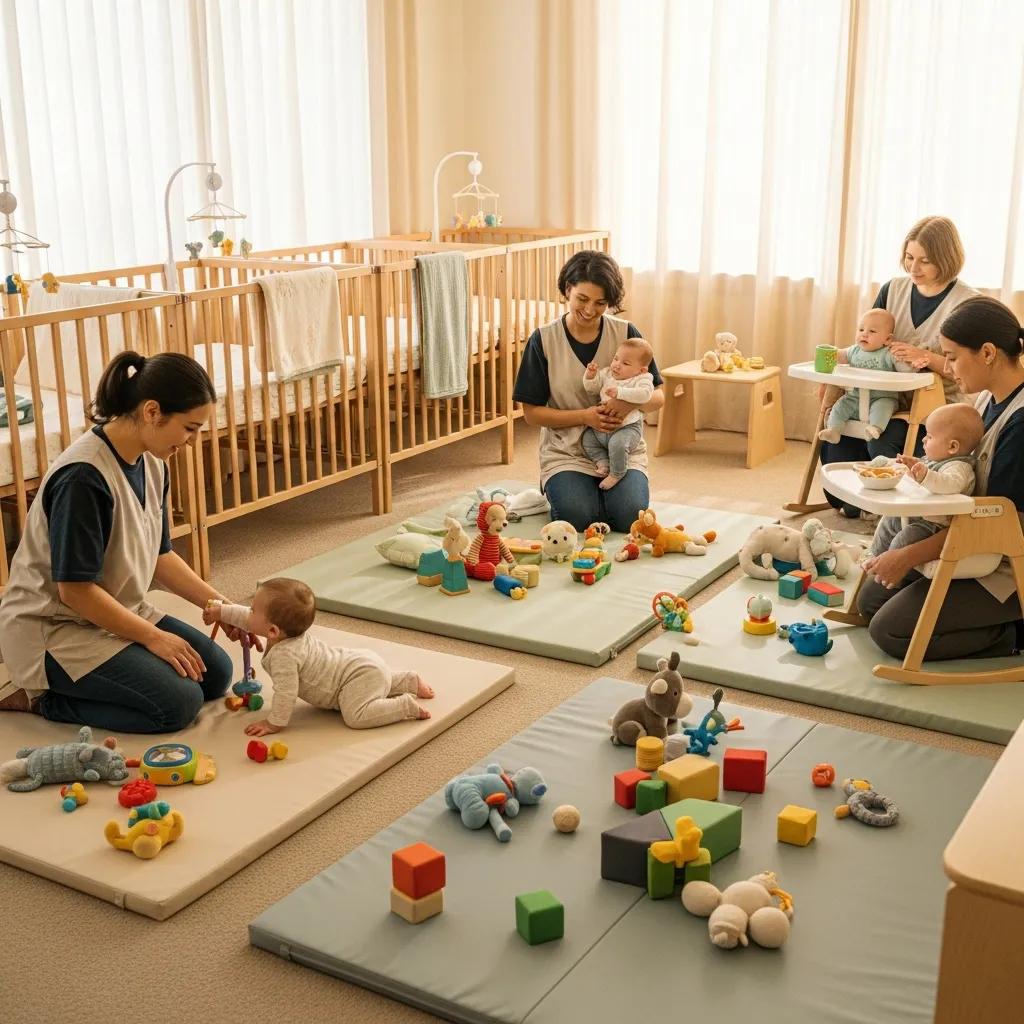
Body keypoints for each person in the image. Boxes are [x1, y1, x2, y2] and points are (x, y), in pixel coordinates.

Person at [0, 351, 248, 733]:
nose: (192, 441)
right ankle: (38, 697)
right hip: (55, 628)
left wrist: (224, 608)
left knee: (215, 674)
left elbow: (161, 555)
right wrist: (154, 638)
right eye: (189, 428)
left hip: (118, 610)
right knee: (177, 704)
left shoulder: (154, 462)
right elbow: (75, 591)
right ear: (152, 411)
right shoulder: (83, 477)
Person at [858, 296, 1024, 660]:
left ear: (987, 353)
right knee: (869, 602)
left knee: (889, 631)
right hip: (964, 541)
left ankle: (1013, 633)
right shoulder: (984, 400)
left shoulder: (1020, 424)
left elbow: (994, 526)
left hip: (1003, 563)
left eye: (951, 356)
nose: (946, 367)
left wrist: (906, 555)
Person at [820, 216, 976, 517]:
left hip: (934, 408)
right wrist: (833, 386)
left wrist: (926, 357)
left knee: (884, 442)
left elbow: (971, 372)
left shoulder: (966, 303)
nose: (913, 268)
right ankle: (859, 501)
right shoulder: (893, 290)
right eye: (909, 257)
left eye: (925, 261)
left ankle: (892, 508)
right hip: (876, 396)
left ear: (947, 259)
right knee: (839, 487)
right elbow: (864, 343)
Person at [512, 250, 665, 533]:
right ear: (567, 290)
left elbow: (658, 396)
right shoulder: (543, 339)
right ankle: (568, 488)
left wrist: (627, 404)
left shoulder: (626, 333)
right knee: (576, 517)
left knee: (628, 517)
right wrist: (585, 416)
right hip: (566, 451)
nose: (590, 310)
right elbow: (531, 414)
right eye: (582, 299)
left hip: (622, 448)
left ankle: (600, 493)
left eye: (600, 303)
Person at [204, 578, 434, 738]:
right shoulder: (288, 634)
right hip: (362, 665)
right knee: (375, 683)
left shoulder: (285, 656)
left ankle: (404, 706)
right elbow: (247, 618)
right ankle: (408, 680)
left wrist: (274, 723)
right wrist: (220, 611)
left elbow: (286, 693)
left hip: (354, 678)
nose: (248, 611)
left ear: (272, 631)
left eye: (253, 609)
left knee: (355, 716)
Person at [865, 403, 985, 558]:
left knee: (903, 541)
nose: (923, 439)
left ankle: (890, 565)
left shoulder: (959, 467)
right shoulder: (936, 459)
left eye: (929, 436)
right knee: (888, 521)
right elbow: (926, 470)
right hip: (917, 513)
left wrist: (925, 475)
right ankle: (874, 556)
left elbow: (950, 484)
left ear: (952, 447)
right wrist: (912, 464)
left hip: (934, 524)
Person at [581, 337, 656, 490]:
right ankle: (602, 461)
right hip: (603, 427)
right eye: (616, 359)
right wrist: (590, 375)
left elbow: (645, 394)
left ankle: (617, 473)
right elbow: (591, 389)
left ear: (641, 370)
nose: (617, 365)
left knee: (617, 444)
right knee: (587, 439)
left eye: (625, 363)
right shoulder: (608, 374)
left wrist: (620, 393)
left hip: (627, 428)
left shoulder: (642, 379)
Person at [818, 308, 898, 442]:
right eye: (861, 330)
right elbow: (839, 355)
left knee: (884, 407)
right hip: (855, 396)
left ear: (888, 339)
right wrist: (828, 352)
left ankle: (875, 428)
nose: (864, 334)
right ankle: (834, 430)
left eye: (872, 331)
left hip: (881, 396)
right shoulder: (854, 351)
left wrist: (909, 364)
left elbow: (904, 369)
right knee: (839, 407)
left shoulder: (888, 353)